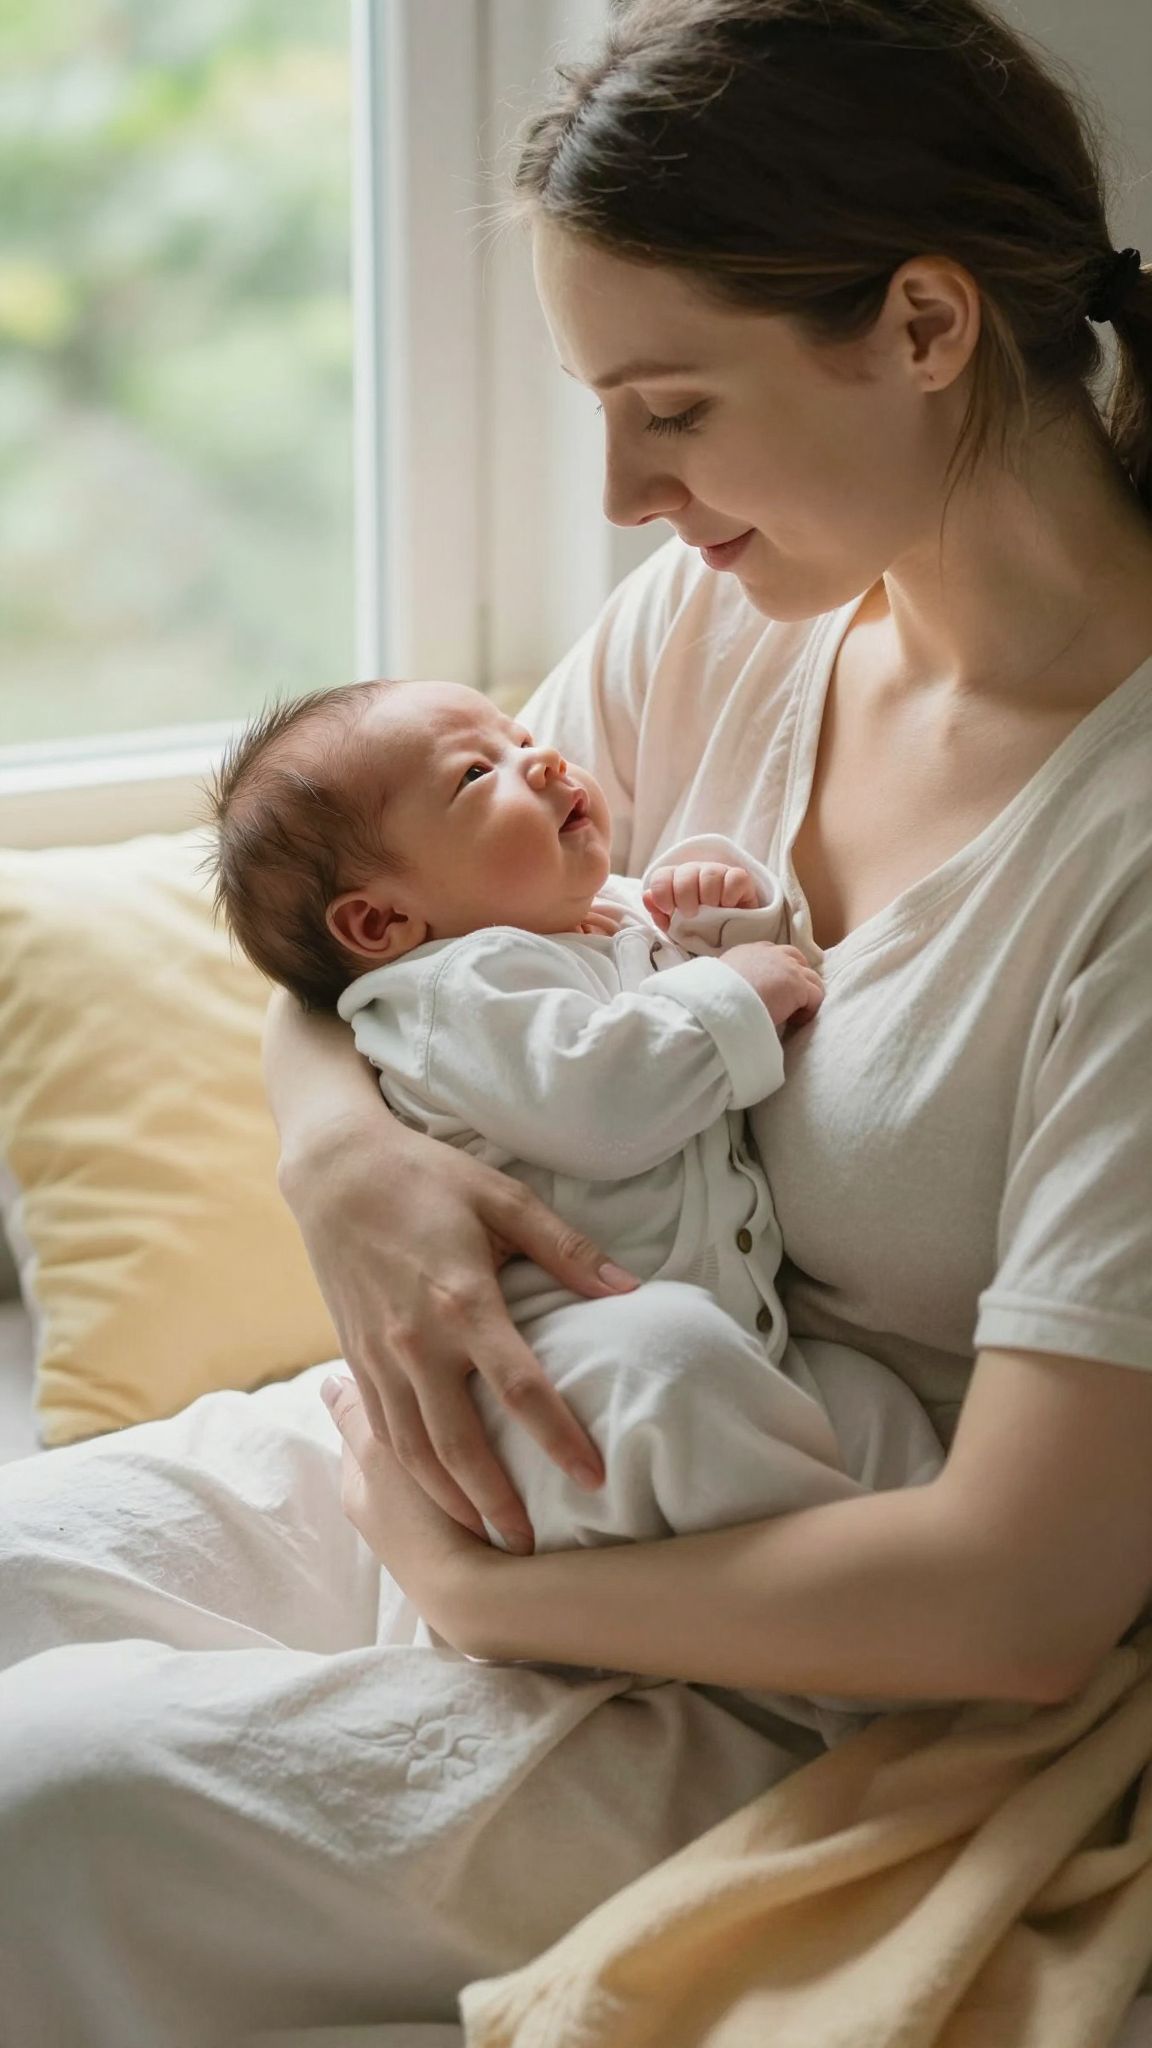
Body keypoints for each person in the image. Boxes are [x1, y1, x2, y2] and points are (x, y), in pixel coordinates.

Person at [2, 0, 1151, 2041]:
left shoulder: (1121, 843)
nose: (624, 490)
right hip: (525, 1421)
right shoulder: (742, 609)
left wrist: (479, 1599)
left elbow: (1024, 1593)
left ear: (923, 325)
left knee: (45, 1799)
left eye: (672, 409)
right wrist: (346, 1157)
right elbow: (373, 965)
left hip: (814, 1627)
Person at [206, 675, 944, 1738]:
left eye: (521, 737)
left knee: (863, 1397)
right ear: (381, 919)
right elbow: (600, 1098)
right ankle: (863, 1662)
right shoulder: (452, 989)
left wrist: (709, 900)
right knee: (672, 1359)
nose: (542, 760)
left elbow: (687, 965)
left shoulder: (581, 918)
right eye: (478, 774)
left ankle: (915, 1599)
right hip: (548, 1384)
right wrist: (737, 987)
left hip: (743, 1347)